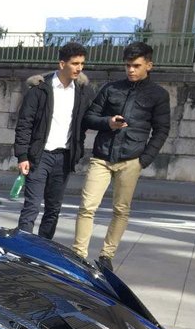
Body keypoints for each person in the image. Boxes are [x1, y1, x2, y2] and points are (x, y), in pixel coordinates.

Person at [72, 41, 171, 271]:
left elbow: (162, 130)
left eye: (136, 65)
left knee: (121, 210)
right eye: (127, 66)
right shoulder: (111, 88)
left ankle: (107, 255)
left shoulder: (159, 95)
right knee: (87, 206)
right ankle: (78, 254)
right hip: (102, 157)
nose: (131, 70)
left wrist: (144, 160)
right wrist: (108, 122)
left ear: (149, 65)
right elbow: (89, 117)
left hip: (131, 159)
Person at [12, 42, 95, 239]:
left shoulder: (83, 91)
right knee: (31, 207)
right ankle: (23, 250)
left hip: (64, 157)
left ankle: (44, 251)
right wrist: (22, 155)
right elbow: (25, 123)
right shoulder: (40, 88)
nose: (79, 68)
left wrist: (78, 149)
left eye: (82, 63)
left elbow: (85, 122)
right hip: (39, 157)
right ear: (62, 64)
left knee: (53, 209)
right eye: (75, 63)